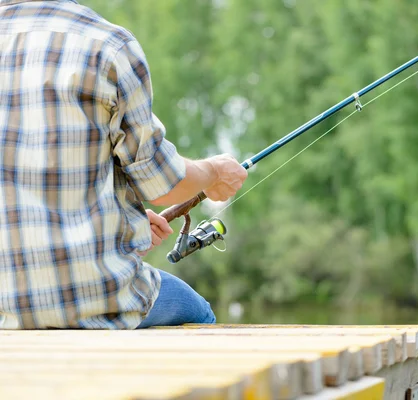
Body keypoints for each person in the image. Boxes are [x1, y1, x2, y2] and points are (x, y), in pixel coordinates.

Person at [0, 0, 248, 329]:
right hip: (92, 298)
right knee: (198, 312)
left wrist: (120, 218)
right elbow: (163, 185)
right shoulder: (106, 45)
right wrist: (214, 172)